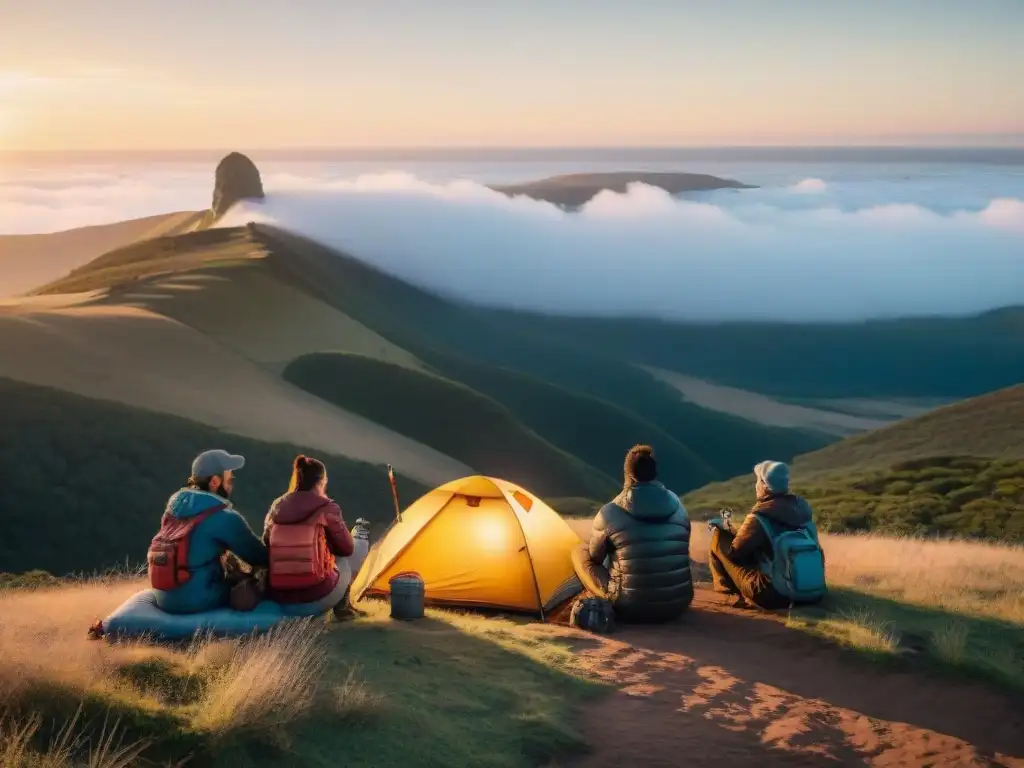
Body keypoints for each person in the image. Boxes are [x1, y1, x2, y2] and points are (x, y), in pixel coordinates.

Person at [571, 445, 693, 623]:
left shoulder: (610, 512)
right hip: (678, 604)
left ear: (627, 473)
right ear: (655, 472)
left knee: (580, 553)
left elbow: (596, 558)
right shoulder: (678, 506)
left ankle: (592, 601)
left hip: (630, 607)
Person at [149, 450, 268, 614]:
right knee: (249, 585)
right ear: (215, 482)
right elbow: (258, 556)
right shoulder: (224, 517)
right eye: (229, 480)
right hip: (196, 599)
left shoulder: (172, 509)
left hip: (163, 595)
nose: (231, 485)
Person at [262, 455, 370, 619]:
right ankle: (343, 609)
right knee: (347, 556)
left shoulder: (277, 506)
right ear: (322, 481)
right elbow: (347, 548)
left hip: (281, 599)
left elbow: (266, 541)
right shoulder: (328, 507)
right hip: (317, 599)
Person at [707, 460, 825, 610]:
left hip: (774, 596)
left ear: (764, 485)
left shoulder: (760, 516)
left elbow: (735, 555)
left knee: (719, 537)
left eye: (757, 481)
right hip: (813, 592)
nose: (756, 485)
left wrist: (726, 529)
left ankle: (728, 592)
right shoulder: (803, 509)